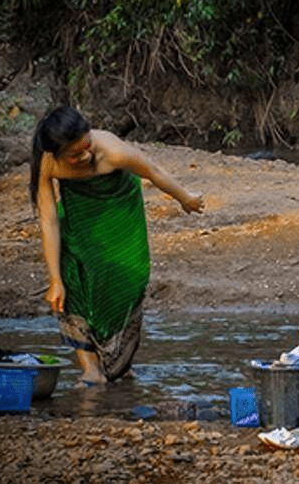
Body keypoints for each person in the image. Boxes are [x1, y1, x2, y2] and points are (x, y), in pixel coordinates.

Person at [29, 106, 203, 385]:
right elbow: (48, 221)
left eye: (87, 147)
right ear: (57, 154)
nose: (85, 156)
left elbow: (153, 171)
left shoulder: (113, 151)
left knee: (126, 281)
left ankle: (119, 363)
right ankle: (91, 370)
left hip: (120, 212)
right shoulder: (48, 162)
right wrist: (54, 279)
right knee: (73, 282)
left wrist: (186, 198)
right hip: (78, 220)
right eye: (75, 155)